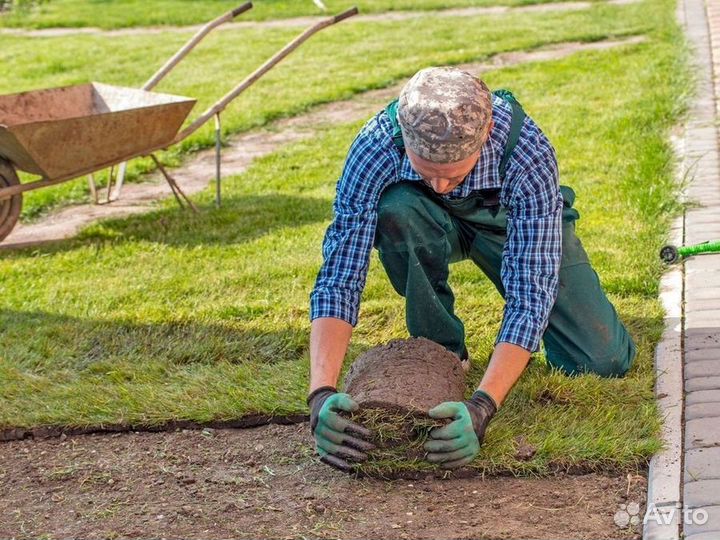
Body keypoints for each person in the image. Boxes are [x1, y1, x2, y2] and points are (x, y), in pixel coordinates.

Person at [306, 66, 636, 472]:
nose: (443, 187)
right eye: (428, 173)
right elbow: (340, 274)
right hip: (426, 223)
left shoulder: (526, 151)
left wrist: (483, 407)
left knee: (601, 362)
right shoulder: (374, 148)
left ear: (486, 135)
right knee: (398, 209)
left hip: (508, 223)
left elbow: (531, 288)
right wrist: (320, 392)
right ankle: (441, 353)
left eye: (455, 174)